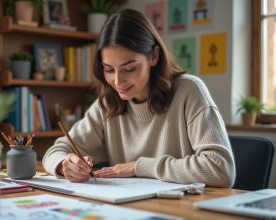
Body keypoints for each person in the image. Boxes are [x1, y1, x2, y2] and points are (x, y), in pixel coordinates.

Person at [43, 9, 236, 187]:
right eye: (109, 69)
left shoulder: (189, 91)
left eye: (129, 68)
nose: (118, 81)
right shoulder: (108, 102)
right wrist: (64, 165)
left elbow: (220, 169)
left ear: (154, 56)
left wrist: (138, 167)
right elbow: (55, 151)